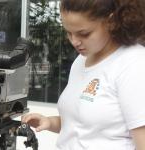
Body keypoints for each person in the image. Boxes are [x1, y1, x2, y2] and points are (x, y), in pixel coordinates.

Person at [22, 0, 145, 149]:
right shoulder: (81, 60)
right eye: (68, 32)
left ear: (111, 21)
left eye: (84, 34)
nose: (74, 41)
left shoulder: (134, 64)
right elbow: (83, 126)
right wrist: (50, 122)